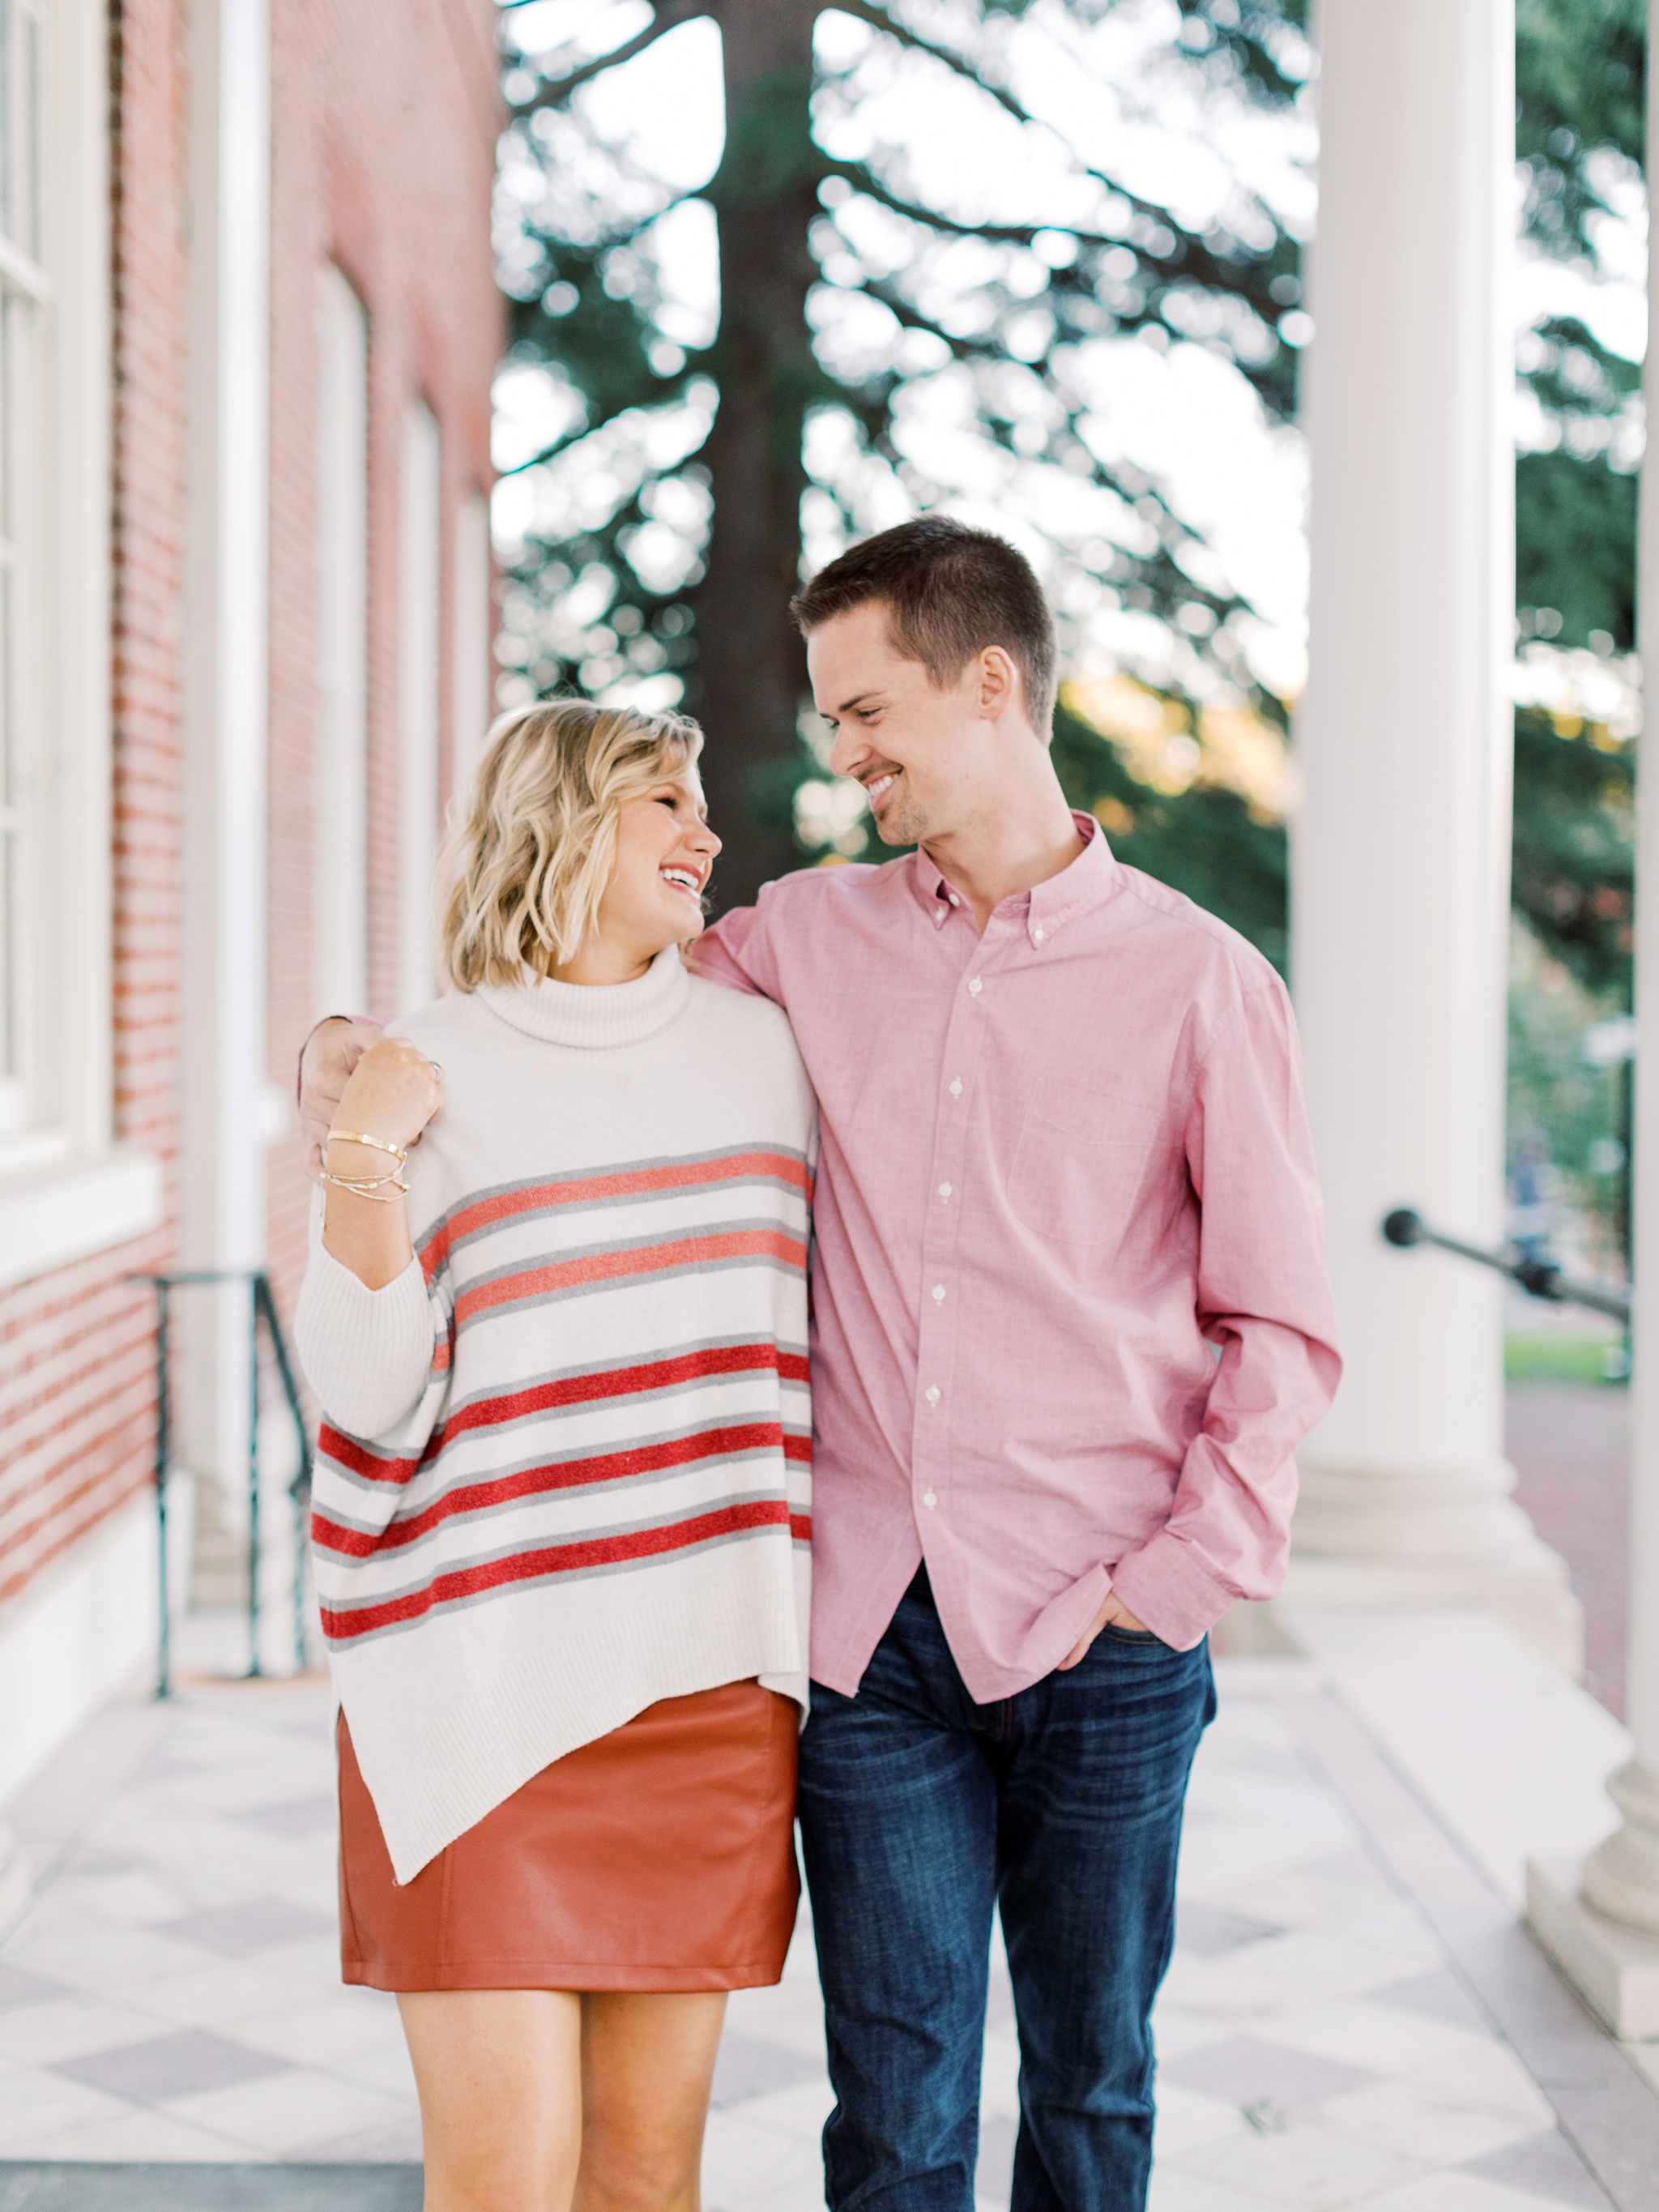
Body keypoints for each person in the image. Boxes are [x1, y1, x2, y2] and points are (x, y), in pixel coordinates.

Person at [303, 517, 1340, 2212]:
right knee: (898, 2113)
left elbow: (1281, 1321)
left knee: (1091, 2093)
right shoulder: (795, 946)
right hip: (868, 1640)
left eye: (865, 712)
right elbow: (567, 1016)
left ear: (988, 684)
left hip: (1104, 1623)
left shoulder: (1202, 982)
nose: (837, 752)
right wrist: (346, 1075)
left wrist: (1172, 1581)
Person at [295, 698, 814, 2212]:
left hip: (705, 1692)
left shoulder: (771, 1058)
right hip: (478, 1693)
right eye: (666, 799)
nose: (705, 832)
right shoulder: (426, 1068)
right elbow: (363, 1388)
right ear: (566, 823)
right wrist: (361, 1148)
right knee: (507, 2183)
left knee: (648, 2183)